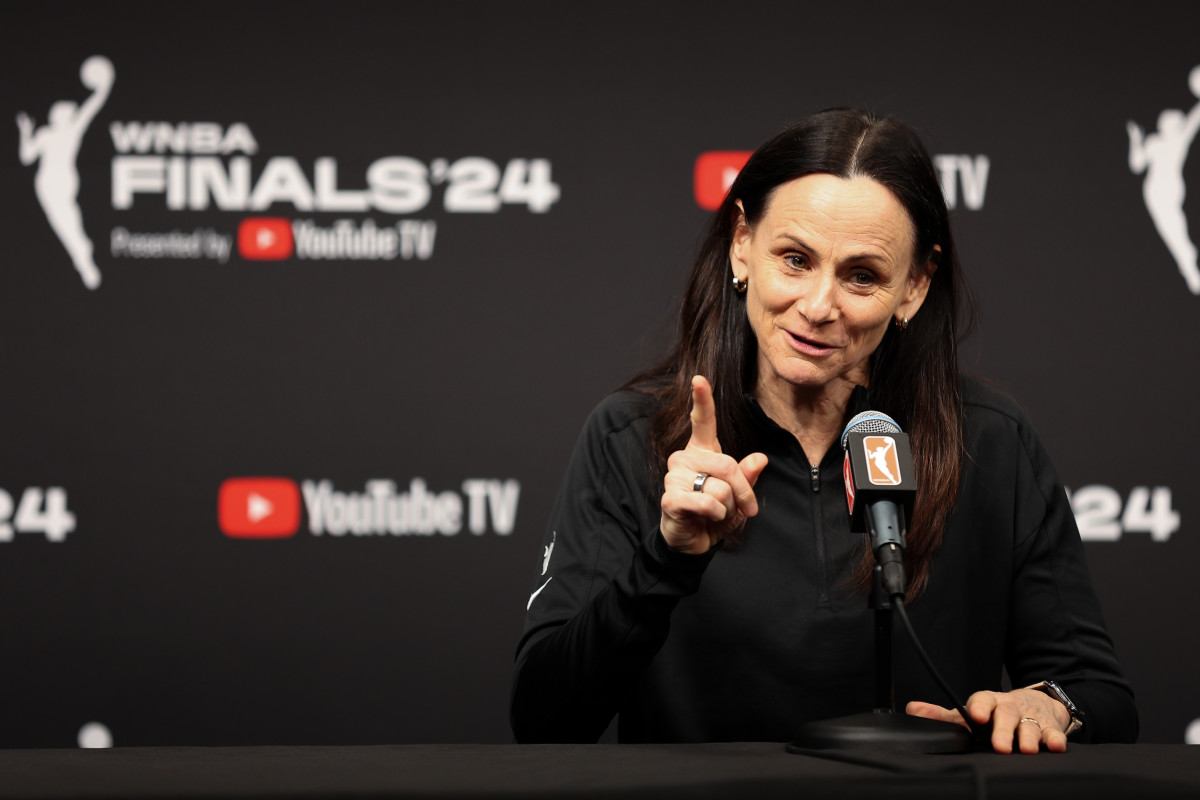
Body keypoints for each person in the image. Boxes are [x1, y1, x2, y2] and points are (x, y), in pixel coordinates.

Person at [511, 109, 1137, 753]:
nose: (817, 307)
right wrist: (666, 556)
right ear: (741, 244)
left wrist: (1048, 704)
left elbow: (1100, 696)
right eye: (794, 259)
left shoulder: (993, 440)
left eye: (862, 276)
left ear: (915, 287)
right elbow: (543, 720)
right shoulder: (631, 436)